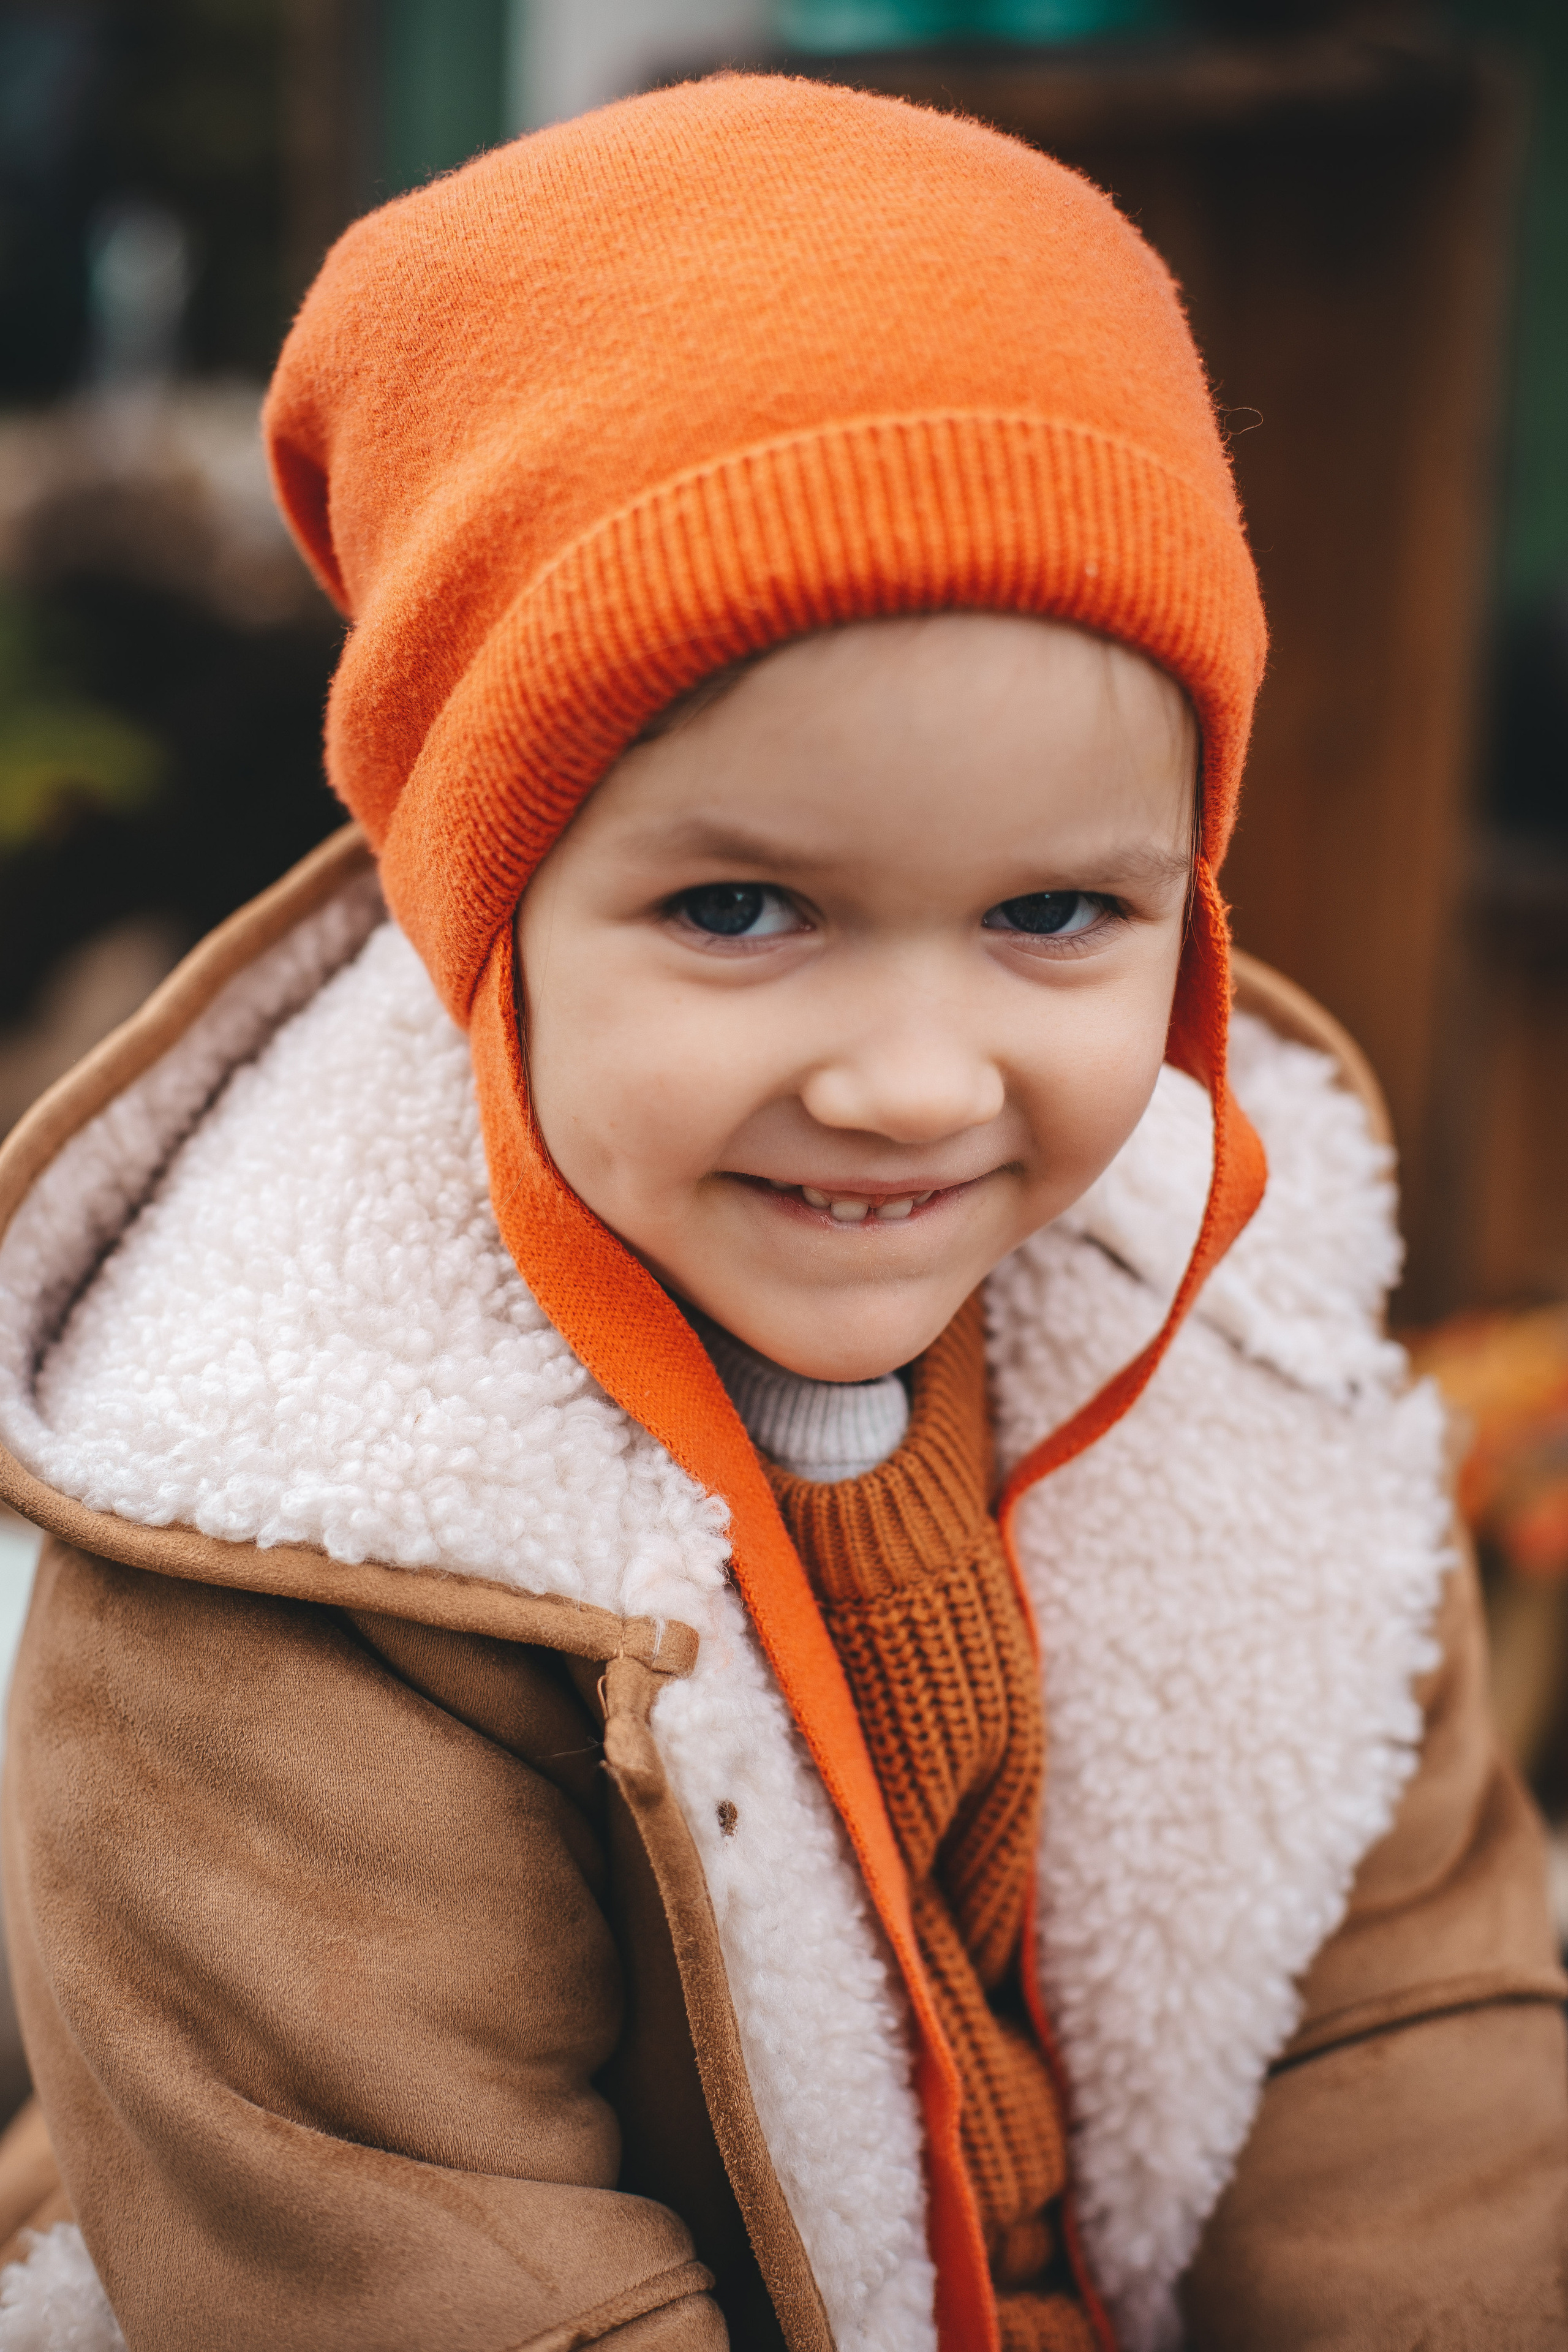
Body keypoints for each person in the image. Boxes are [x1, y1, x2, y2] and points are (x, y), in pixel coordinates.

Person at [0, 73, 1561, 2352]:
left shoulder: (1240, 1366)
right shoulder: (286, 1569)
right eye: (742, 907)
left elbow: (1405, 2022)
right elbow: (421, 2260)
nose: (916, 1081)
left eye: (1054, 913)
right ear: (487, 908)